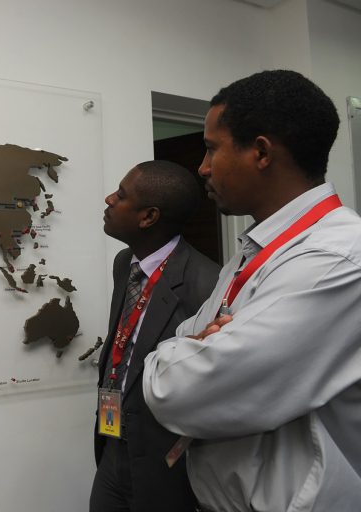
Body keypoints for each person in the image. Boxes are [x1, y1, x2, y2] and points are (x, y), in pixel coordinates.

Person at [143, 70, 361, 511]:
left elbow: (182, 391)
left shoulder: (338, 257)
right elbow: (188, 339)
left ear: (261, 152)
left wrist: (176, 355)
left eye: (210, 149)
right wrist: (191, 347)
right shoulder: (257, 248)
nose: (202, 168)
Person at [90, 160, 219, 512]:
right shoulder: (124, 263)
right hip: (113, 438)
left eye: (120, 195)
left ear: (148, 217)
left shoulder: (207, 284)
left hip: (164, 456)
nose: (108, 200)